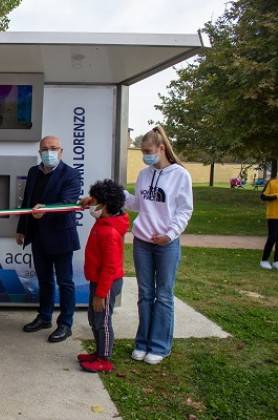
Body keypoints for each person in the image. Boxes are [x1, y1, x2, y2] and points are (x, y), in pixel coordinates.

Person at [83, 126, 193, 365]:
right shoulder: (144, 174)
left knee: (163, 294)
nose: (145, 155)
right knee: (145, 294)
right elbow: (135, 203)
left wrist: (171, 234)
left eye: (148, 151)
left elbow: (185, 210)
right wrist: (105, 195)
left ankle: (160, 346)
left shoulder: (180, 175)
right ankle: (142, 343)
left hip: (166, 243)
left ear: (161, 148)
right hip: (143, 241)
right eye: (143, 151)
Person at [16, 135, 81, 343]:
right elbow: (27, 201)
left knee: (65, 282)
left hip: (61, 235)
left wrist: (46, 211)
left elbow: (68, 203)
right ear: (39, 152)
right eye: (45, 149)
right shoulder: (33, 172)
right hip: (38, 235)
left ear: (61, 152)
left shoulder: (71, 174)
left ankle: (65, 324)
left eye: (53, 148)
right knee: (44, 280)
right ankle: (44, 317)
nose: (49, 152)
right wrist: (22, 228)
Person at [78, 180, 129, 373]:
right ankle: (98, 353)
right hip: (97, 281)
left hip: (105, 284)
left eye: (95, 201)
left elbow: (110, 267)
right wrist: (90, 199)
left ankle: (104, 359)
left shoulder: (109, 232)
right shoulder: (106, 220)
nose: (92, 205)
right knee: (94, 318)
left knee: (103, 321)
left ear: (105, 205)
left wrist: (100, 294)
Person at [260, 176, 278, 269]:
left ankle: (276, 261)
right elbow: (263, 196)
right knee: (273, 237)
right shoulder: (272, 183)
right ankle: (264, 260)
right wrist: (275, 196)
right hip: (273, 215)